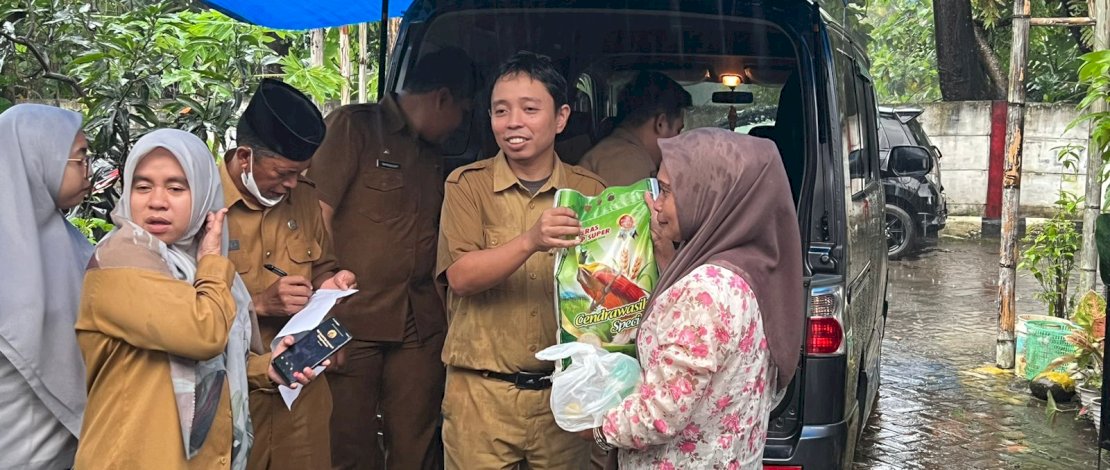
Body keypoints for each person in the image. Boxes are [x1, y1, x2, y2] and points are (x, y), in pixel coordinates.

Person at [74, 129, 324, 469]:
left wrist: (269, 368)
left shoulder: (195, 266)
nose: (157, 201)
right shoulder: (119, 259)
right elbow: (202, 334)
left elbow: (220, 363)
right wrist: (212, 261)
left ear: (205, 195)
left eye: (176, 188)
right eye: (142, 186)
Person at [588, 128, 804, 469]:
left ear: (710, 195)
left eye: (669, 191)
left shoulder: (702, 292)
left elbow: (662, 411)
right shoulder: (754, 269)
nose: (656, 204)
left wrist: (599, 430)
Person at [307, 47, 476, 470]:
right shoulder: (354, 128)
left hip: (418, 323)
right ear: (442, 98)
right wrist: (322, 291)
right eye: (462, 111)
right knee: (349, 444)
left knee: (416, 445)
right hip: (351, 319)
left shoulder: (433, 153)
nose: (460, 126)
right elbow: (314, 212)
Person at [436, 50, 606, 469]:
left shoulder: (591, 191)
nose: (513, 122)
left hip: (566, 398)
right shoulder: (466, 186)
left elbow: (609, 294)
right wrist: (531, 240)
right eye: (501, 110)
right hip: (481, 399)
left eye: (530, 109)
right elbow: (460, 277)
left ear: (561, 117)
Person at [221, 78, 356, 470]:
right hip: (233, 392)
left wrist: (331, 287)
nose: (292, 184)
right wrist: (259, 305)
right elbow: (181, 303)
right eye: (283, 172)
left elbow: (323, 267)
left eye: (301, 173)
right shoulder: (201, 203)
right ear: (245, 157)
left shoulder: (304, 199)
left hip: (302, 393)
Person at [0, 104, 95, 469]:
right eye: (79, 158)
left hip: (62, 449)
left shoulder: (69, 241)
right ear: (38, 158)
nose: (89, 171)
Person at [578, 71, 692, 186]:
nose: (678, 141)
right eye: (678, 131)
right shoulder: (626, 162)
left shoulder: (617, 152)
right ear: (660, 124)